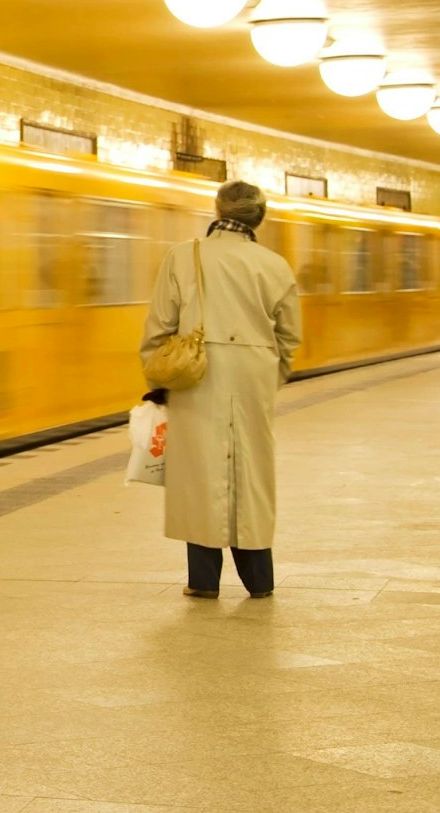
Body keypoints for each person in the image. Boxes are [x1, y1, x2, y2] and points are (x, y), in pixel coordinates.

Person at [139, 181, 301, 600]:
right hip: (254, 372)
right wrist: (271, 375)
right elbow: (289, 336)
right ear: (259, 217)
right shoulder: (274, 264)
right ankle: (259, 579)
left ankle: (204, 580)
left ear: (217, 211)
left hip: (197, 373)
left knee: (200, 472)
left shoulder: (183, 256)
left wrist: (159, 380)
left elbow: (160, 326)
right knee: (252, 472)